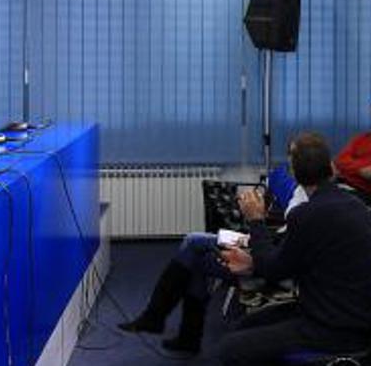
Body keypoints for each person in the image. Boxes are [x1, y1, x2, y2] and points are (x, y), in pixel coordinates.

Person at [216, 132, 371, 366]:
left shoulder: (307, 214)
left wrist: (256, 222)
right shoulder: (354, 206)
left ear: (294, 174)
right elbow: (291, 262)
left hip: (331, 324)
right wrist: (254, 262)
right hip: (348, 311)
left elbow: (276, 269)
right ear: (331, 167)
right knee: (245, 327)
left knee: (231, 350)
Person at [120, 141, 313, 354]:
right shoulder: (301, 193)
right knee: (197, 258)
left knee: (193, 243)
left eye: (293, 159)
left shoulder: (308, 204)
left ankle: (163, 322)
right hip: (266, 244)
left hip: (266, 260)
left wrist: (254, 229)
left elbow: (284, 251)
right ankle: (179, 333)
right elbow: (283, 236)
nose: (290, 164)